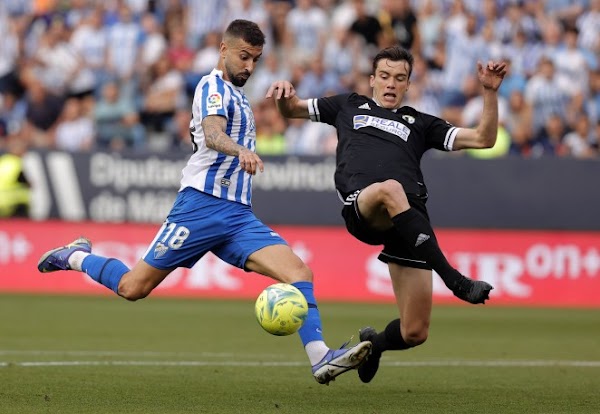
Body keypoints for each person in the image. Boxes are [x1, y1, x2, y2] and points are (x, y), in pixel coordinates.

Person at [37, 19, 370, 385]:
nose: (249, 66)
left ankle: (320, 358)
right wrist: (239, 149)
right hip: (201, 207)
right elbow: (213, 134)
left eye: (256, 60)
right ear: (224, 50)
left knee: (299, 274)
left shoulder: (239, 95)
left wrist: (284, 93)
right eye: (244, 57)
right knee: (134, 287)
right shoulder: (211, 87)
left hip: (238, 215)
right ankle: (74, 255)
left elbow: (274, 113)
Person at [266, 46, 505, 383]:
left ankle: (374, 345)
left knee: (415, 332)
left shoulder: (419, 123)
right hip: (364, 206)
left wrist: (489, 92)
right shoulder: (348, 104)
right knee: (390, 187)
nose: (391, 83)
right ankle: (455, 280)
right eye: (385, 76)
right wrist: (283, 94)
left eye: (400, 78)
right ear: (372, 79)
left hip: (408, 221)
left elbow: (484, 138)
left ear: (408, 84)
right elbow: (291, 109)